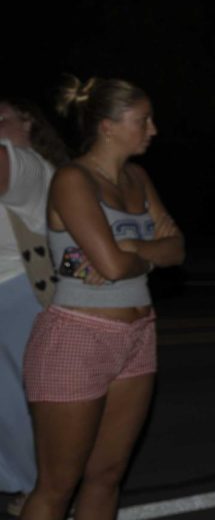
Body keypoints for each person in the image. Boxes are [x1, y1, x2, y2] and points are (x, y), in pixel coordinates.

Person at [21, 77, 184, 520]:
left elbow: (177, 248)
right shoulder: (73, 181)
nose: (153, 129)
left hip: (137, 336)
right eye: (143, 120)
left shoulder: (138, 178)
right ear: (108, 126)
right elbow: (112, 265)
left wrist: (132, 252)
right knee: (57, 486)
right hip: (77, 337)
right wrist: (133, 254)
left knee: (107, 476)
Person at [1, 99, 67, 517]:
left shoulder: (29, 166)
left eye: (1, 119)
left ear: (28, 124)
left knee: (28, 415)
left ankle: (43, 495)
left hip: (20, 299)